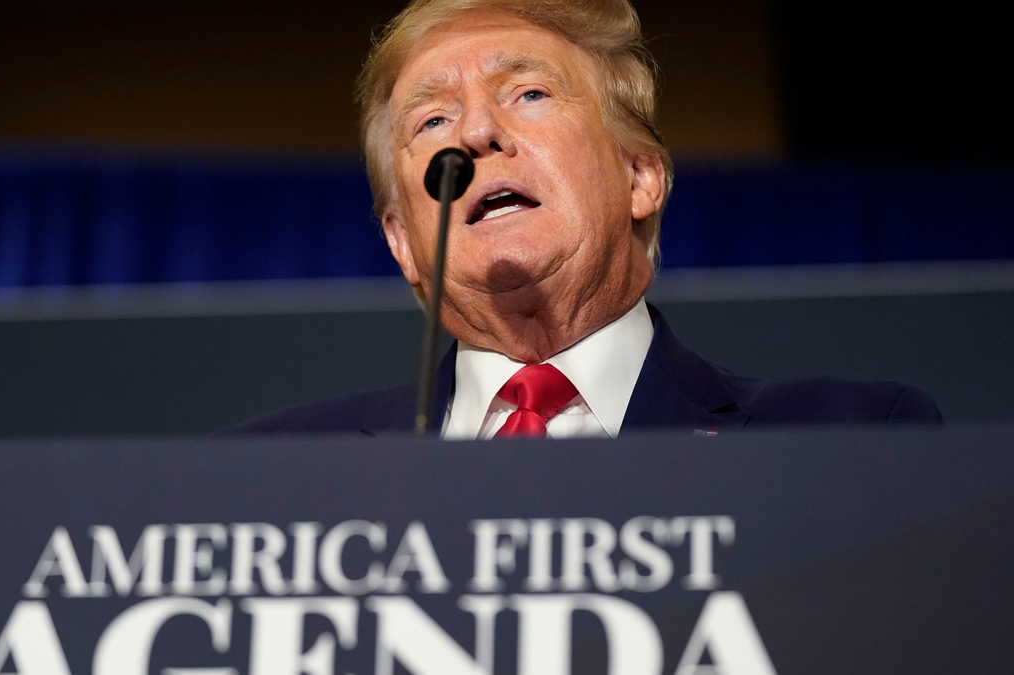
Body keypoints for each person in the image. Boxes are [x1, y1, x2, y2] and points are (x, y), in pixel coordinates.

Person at [225, 0, 941, 438]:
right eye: (433, 117)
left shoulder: (851, 440)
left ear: (641, 176)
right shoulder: (269, 478)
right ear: (402, 240)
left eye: (530, 93)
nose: (475, 133)